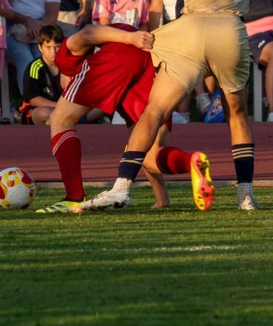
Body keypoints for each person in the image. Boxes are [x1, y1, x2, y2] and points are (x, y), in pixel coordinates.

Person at [72, 0, 273, 212]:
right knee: (237, 115)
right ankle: (245, 195)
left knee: (155, 111)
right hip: (230, 31)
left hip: (191, 30)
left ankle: (121, 188)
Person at [31, 24, 188, 213]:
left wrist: (130, 38)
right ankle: (189, 164)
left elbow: (89, 32)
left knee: (60, 118)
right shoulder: (118, 84)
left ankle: (74, 196)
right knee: (144, 149)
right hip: (146, 59)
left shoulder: (64, 60)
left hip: (122, 50)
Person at [19, 24, 66, 125]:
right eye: (48, 47)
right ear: (40, 48)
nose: (53, 51)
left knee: (100, 108)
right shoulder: (35, 67)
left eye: (57, 47)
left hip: (66, 109)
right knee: (44, 113)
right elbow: (34, 99)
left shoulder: (68, 66)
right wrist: (59, 106)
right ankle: (74, 119)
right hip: (40, 110)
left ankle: (73, 119)